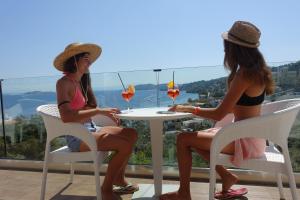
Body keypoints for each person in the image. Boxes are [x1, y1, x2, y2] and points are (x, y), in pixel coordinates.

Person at [159, 21, 275, 200]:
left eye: (226, 46)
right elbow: (234, 110)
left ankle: (184, 193)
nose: (224, 50)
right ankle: (226, 175)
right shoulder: (258, 71)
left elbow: (220, 114)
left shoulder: (244, 75)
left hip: (243, 140)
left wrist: (189, 108)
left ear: (235, 48)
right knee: (194, 138)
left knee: (183, 139)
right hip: (251, 137)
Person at [54, 43, 139, 200]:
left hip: (91, 129)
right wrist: (100, 111)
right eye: (86, 59)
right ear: (74, 60)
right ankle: (106, 189)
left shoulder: (81, 83)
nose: (90, 62)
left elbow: (86, 109)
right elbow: (66, 117)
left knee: (131, 134)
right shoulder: (63, 83)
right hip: (77, 137)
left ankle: (118, 178)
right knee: (124, 145)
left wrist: (108, 112)